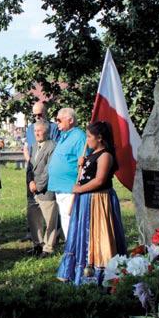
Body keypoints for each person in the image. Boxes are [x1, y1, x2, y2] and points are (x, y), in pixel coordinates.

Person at [57, 121, 127, 285]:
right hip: (86, 200)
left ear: (100, 138)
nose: (87, 140)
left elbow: (99, 180)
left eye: (89, 136)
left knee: (97, 236)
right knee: (83, 235)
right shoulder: (91, 154)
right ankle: (79, 272)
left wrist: (79, 190)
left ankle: (103, 275)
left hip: (98, 201)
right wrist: (81, 165)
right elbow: (86, 176)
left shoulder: (105, 155)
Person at [47, 107, 87, 238]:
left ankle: (76, 250)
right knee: (65, 219)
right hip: (60, 187)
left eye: (59, 120)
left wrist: (79, 186)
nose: (56, 122)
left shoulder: (79, 136)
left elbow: (84, 163)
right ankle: (71, 248)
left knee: (72, 220)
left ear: (70, 120)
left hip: (70, 187)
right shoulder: (64, 136)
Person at [26, 120, 58, 257]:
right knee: (33, 219)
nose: (37, 133)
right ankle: (37, 244)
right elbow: (29, 167)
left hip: (45, 189)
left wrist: (38, 186)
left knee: (50, 219)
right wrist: (30, 181)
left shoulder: (53, 146)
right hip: (32, 189)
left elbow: (49, 169)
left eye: (40, 130)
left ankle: (48, 247)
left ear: (47, 131)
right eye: (35, 131)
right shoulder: (33, 146)